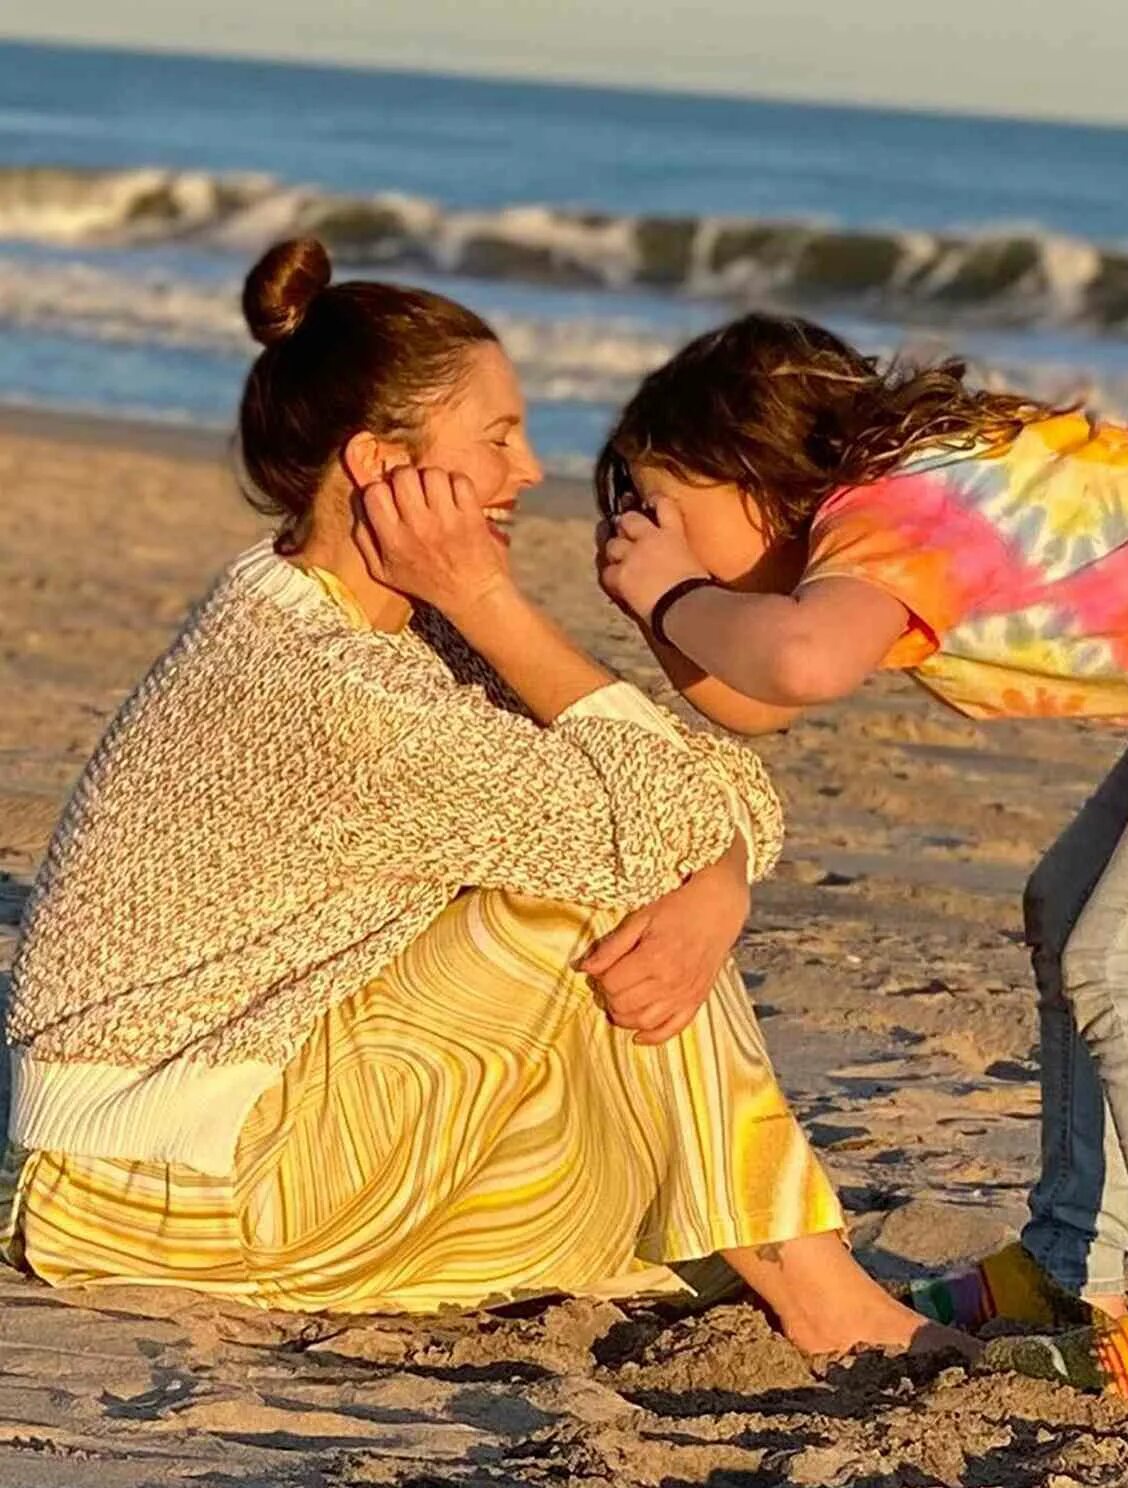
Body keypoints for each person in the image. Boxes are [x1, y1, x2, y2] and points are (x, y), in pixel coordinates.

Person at [1, 250, 960, 1360]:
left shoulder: (375, 623)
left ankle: (794, 1274)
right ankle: (833, 1308)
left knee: (650, 1077)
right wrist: (492, 599)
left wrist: (720, 884)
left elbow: (698, 791)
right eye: (497, 438)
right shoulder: (325, 683)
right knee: (588, 905)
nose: (531, 471)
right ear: (379, 467)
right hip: (142, 1190)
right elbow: (658, 821)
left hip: (215, 1133)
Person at [592, 312, 1128, 1418]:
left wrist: (673, 593)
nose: (649, 532)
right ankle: (1067, 1271)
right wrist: (664, 605)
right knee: (1069, 907)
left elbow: (802, 666)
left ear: (751, 465)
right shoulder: (874, 517)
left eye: (662, 505)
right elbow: (759, 702)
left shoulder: (894, 514)